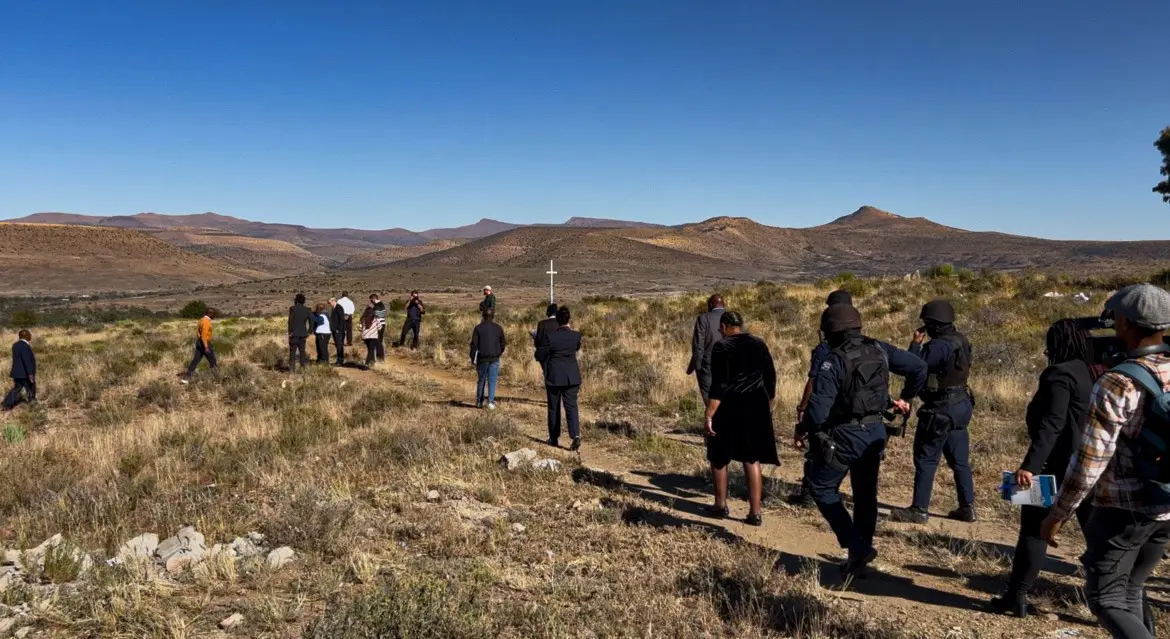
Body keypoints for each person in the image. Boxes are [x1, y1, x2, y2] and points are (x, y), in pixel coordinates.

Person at [1042, 284, 1170, 639]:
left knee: (1106, 598)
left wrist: (1058, 513)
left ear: (1127, 322)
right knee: (1131, 588)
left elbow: (1089, 462)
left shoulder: (1118, 381)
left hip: (1123, 507)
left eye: (1115, 318)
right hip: (1164, 503)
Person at [795, 304, 926, 576]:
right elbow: (919, 366)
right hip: (875, 433)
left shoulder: (834, 359)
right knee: (866, 495)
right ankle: (859, 557)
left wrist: (805, 428)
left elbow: (818, 410)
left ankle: (857, 546)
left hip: (844, 434)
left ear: (832, 331)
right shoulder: (879, 349)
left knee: (821, 488)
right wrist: (907, 397)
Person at [990, 320, 1097, 617]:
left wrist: (1030, 466)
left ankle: (1018, 595)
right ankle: (1115, 600)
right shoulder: (1093, 373)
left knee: (1034, 532)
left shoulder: (1059, 374)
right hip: (1091, 465)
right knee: (1097, 536)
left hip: (1055, 466)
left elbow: (1052, 424)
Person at [890, 300, 977, 524]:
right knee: (960, 461)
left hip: (939, 408)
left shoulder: (939, 346)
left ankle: (919, 509)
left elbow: (914, 366)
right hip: (961, 404)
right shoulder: (961, 340)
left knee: (926, 459)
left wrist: (915, 345)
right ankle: (967, 507)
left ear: (933, 324)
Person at [703, 311, 779, 526]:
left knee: (718, 455)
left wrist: (709, 413)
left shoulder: (722, 347)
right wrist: (768, 400)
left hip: (730, 405)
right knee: (751, 457)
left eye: (720, 327)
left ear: (726, 326)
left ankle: (720, 505)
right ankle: (755, 512)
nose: (720, 331)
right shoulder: (758, 343)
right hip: (756, 404)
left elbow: (719, 383)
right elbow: (770, 376)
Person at [790, 289, 853, 507]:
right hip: (850, 407)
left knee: (817, 449)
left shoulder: (826, 347)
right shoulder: (861, 343)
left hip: (825, 404)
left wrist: (803, 406)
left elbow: (813, 379)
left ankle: (808, 495)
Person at [536, 306, 582, 451]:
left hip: (555, 376)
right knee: (571, 406)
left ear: (557, 320)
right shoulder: (576, 336)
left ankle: (554, 438)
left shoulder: (551, 337)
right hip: (572, 376)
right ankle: (575, 435)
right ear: (569, 319)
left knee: (554, 407)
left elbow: (539, 355)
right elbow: (575, 348)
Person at [687, 294, 726, 403]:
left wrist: (697, 365)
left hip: (708, 363)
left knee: (710, 397)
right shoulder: (733, 318)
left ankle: (713, 418)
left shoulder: (704, 319)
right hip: (730, 363)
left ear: (710, 304)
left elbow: (698, 344)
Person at [470, 308, 506, 409]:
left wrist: (473, 358)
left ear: (483, 316)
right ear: (493, 316)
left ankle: (479, 402)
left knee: (481, 380)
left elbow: (474, 345)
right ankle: (490, 402)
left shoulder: (478, 328)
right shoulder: (498, 328)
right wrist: (498, 353)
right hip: (494, 358)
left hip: (482, 358)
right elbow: (503, 343)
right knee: (492, 380)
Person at [182, 308, 218, 382]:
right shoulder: (206, 322)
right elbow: (204, 335)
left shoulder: (201, 320)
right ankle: (217, 378)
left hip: (199, 342)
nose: (214, 315)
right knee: (212, 360)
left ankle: (186, 377)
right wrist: (206, 347)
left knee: (196, 360)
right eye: (213, 314)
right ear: (210, 314)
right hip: (205, 343)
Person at [4, 329, 36, 410]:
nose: (30, 336)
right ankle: (32, 404)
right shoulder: (25, 346)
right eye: (29, 334)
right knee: (31, 388)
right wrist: (30, 374)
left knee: (16, 389)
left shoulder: (15, 345)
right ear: (26, 336)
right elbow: (26, 360)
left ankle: (7, 405)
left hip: (17, 372)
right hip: (25, 373)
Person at [288, 293, 314, 372]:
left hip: (294, 333)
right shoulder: (308, 309)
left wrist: (290, 331)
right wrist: (309, 331)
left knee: (293, 351)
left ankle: (292, 369)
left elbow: (290, 321)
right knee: (302, 351)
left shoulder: (293, 308)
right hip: (303, 333)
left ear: (296, 300)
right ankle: (303, 368)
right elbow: (311, 321)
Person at [371, 294, 388, 361]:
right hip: (381, 324)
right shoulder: (381, 304)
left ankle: (380, 357)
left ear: (373, 299)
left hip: (379, 325)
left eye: (371, 300)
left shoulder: (378, 305)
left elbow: (380, 314)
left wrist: (373, 313)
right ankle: (380, 356)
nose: (371, 302)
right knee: (379, 341)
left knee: (378, 341)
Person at [330, 297, 346, 365]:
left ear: (333, 301)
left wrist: (338, 329)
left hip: (339, 330)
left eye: (329, 302)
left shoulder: (339, 307)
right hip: (335, 330)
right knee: (338, 345)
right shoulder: (334, 308)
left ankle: (340, 361)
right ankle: (339, 360)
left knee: (339, 345)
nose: (329, 304)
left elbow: (342, 319)